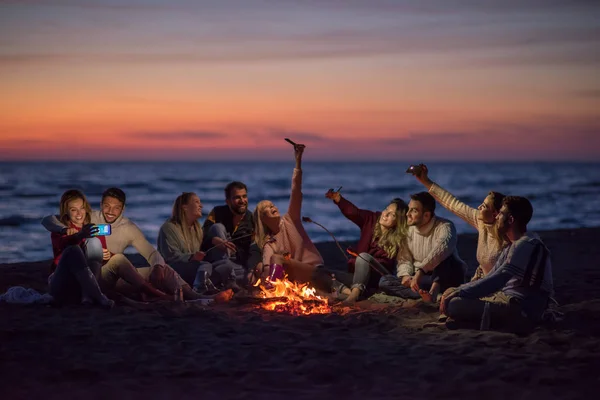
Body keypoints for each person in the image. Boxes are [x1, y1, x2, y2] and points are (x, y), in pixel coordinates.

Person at [42, 187, 196, 300]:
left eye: (116, 208)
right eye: (107, 206)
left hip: (111, 273)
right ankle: (158, 295)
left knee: (163, 269)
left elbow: (151, 252)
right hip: (90, 275)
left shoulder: (127, 228)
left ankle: (193, 295)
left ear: (123, 208)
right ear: (101, 204)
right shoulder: (89, 219)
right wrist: (63, 229)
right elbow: (50, 219)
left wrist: (157, 266)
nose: (110, 211)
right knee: (117, 258)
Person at [440, 196, 554, 333]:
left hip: (522, 308)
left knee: (454, 304)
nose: (497, 217)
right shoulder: (512, 246)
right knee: (450, 294)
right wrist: (458, 289)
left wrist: (461, 292)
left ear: (510, 220)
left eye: (500, 214)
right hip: (508, 300)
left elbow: (497, 280)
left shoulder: (525, 244)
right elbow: (491, 276)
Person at [411, 164, 507, 281]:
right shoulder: (480, 221)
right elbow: (452, 203)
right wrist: (426, 181)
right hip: (480, 281)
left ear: (495, 214)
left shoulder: (507, 237)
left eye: (485, 206)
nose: (479, 207)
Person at [251, 143, 323, 284]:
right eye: (267, 207)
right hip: (298, 280)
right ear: (263, 219)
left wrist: (298, 161)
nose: (273, 206)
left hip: (315, 271)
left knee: (277, 259)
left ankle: (272, 290)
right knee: (265, 265)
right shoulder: (269, 244)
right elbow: (266, 266)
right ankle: (270, 290)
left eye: (272, 204)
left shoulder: (291, 219)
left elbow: (296, 191)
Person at [379, 192, 467, 302]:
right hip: (423, 280)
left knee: (445, 256)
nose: (407, 214)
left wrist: (421, 271)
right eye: (409, 209)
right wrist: (405, 276)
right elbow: (404, 259)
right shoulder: (408, 230)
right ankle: (423, 295)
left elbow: (442, 248)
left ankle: (434, 293)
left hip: (446, 277)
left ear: (426, 215)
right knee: (385, 281)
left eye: (414, 211)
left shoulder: (445, 226)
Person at [325, 190, 409, 303]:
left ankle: (353, 296)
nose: (386, 214)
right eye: (386, 209)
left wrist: (360, 259)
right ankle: (351, 293)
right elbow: (354, 213)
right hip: (359, 276)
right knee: (326, 273)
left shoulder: (399, 237)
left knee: (364, 257)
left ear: (398, 221)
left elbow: (388, 263)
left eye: (392, 214)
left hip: (379, 278)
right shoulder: (372, 219)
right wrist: (339, 199)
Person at [157, 192, 239, 294]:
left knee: (226, 266)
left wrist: (215, 240)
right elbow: (170, 257)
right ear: (185, 207)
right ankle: (200, 290)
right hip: (176, 272)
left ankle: (223, 284)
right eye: (196, 202)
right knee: (205, 266)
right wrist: (191, 257)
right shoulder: (168, 228)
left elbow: (204, 243)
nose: (201, 206)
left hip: (197, 270)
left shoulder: (196, 228)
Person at [48, 189, 113, 308]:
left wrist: (107, 255)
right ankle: (98, 295)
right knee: (73, 249)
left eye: (82, 208)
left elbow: (99, 261)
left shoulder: (92, 229)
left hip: (84, 285)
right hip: (62, 282)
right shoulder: (61, 229)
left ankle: (88, 295)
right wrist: (79, 235)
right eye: (73, 210)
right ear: (66, 212)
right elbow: (63, 244)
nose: (79, 213)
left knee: (94, 241)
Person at [202, 181, 253, 282]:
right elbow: (203, 233)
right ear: (228, 201)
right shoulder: (217, 212)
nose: (242, 201)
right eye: (237, 197)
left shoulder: (252, 220)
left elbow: (251, 251)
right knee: (217, 227)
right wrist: (214, 240)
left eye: (244, 196)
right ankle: (225, 271)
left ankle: (224, 274)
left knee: (246, 274)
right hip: (215, 258)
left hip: (236, 264)